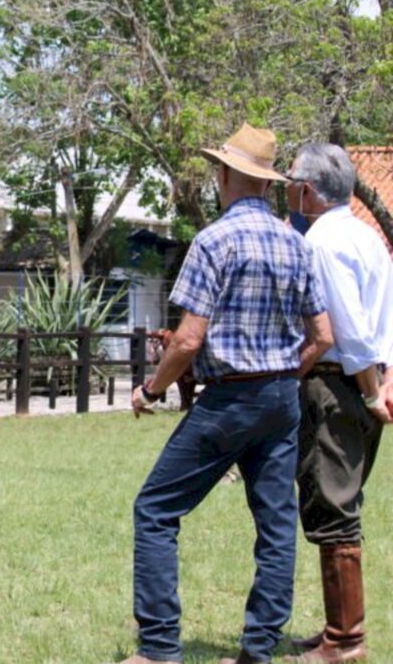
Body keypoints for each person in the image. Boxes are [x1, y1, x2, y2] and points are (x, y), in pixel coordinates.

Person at [117, 123, 333, 664]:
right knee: (277, 525)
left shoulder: (214, 241)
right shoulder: (295, 242)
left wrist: (151, 388)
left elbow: (189, 337)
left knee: (156, 510)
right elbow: (323, 336)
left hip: (229, 399)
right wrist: (284, 375)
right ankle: (259, 649)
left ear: (228, 175)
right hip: (282, 397)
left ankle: (160, 647)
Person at [283, 143, 393, 663]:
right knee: (338, 501)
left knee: (333, 506)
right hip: (366, 383)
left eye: (289, 181)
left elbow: (345, 330)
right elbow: (384, 318)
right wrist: (384, 380)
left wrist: (370, 388)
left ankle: (346, 640)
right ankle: (336, 629)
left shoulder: (322, 243)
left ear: (307, 189)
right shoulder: (367, 237)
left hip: (338, 385)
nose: (286, 190)